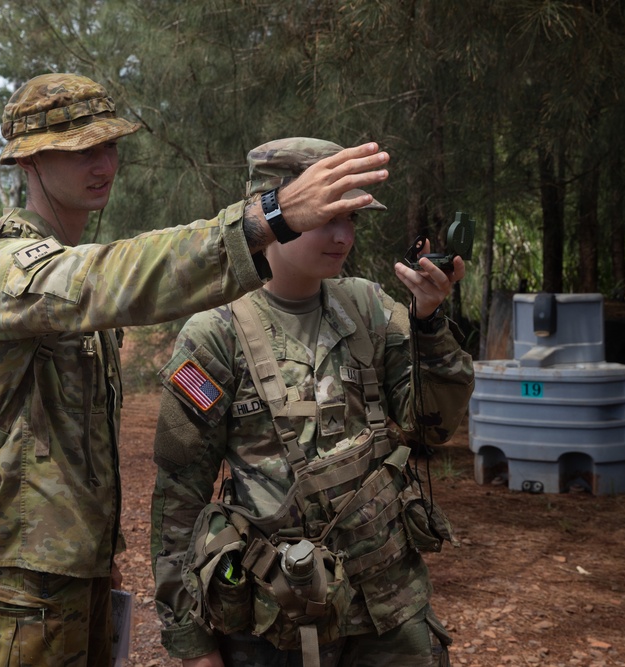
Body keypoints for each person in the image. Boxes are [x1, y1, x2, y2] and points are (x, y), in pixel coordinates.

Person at [0, 76, 389, 667]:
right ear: (28, 160)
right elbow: (118, 277)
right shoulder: (3, 270)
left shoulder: (64, 266)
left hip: (78, 580)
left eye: (110, 146)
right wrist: (272, 217)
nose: (104, 163)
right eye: (82, 149)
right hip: (21, 598)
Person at [150, 137, 474, 667]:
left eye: (352, 217)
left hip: (389, 617)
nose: (344, 235)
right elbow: (178, 498)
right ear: (273, 215)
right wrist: (190, 641)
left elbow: (431, 429)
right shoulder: (215, 335)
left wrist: (429, 320)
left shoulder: (369, 308)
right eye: (328, 217)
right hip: (276, 623)